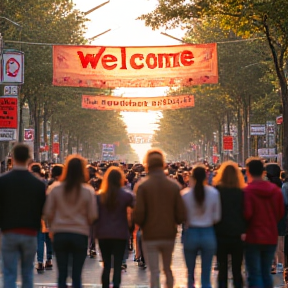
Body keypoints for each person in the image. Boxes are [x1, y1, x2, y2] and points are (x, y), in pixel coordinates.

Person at [134, 149, 186, 288]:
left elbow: (138, 215)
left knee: (154, 272)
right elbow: (181, 215)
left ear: (147, 164)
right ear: (163, 164)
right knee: (167, 269)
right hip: (168, 234)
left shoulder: (143, 186)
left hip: (150, 234)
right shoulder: (174, 186)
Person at [44, 155, 98, 288]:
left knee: (62, 274)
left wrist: (51, 228)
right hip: (80, 234)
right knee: (76, 275)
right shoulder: (88, 191)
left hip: (60, 233)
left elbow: (47, 212)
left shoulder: (55, 188)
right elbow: (93, 215)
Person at [0, 143, 46, 288]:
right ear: (29, 159)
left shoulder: (3, 181)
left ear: (12, 158)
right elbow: (42, 209)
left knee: (9, 273)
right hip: (30, 232)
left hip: (8, 232)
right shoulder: (38, 184)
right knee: (27, 273)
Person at [244, 158, 284, 288]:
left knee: (254, 273)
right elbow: (280, 212)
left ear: (248, 172)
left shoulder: (247, 192)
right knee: (266, 272)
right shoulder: (275, 191)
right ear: (263, 172)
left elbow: (246, 215)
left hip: (252, 238)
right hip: (270, 236)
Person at [181, 165, 221, 288]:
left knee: (190, 273)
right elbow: (217, 217)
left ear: (191, 177)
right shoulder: (214, 193)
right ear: (206, 176)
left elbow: (182, 217)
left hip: (191, 232)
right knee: (206, 273)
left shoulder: (185, 195)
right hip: (208, 232)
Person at [95, 166, 135, 288]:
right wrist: (131, 227)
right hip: (120, 233)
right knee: (117, 265)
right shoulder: (126, 195)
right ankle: (116, 285)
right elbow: (135, 210)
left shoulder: (99, 196)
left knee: (106, 264)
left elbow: (93, 215)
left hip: (103, 234)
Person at [213, 161, 246, 288]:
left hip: (220, 233)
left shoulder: (217, 191)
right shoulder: (241, 192)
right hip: (238, 234)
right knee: (237, 269)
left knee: (222, 269)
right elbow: (245, 213)